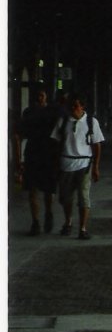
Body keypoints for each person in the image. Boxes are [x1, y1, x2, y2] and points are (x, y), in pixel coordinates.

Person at [50, 93, 104, 240]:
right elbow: (55, 142)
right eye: (71, 106)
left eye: (76, 106)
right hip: (66, 163)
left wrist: (96, 166)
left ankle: (82, 228)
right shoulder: (63, 121)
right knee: (66, 198)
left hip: (84, 164)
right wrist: (55, 164)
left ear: (83, 106)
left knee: (83, 197)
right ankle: (68, 222)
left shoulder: (91, 122)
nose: (73, 108)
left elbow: (97, 145)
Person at [15, 87, 61, 235]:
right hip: (33, 154)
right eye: (38, 95)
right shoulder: (28, 112)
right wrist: (19, 159)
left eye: (42, 95)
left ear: (46, 96)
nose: (39, 98)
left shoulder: (53, 112)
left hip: (48, 154)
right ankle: (35, 222)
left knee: (48, 190)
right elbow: (20, 134)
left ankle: (48, 212)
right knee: (32, 190)